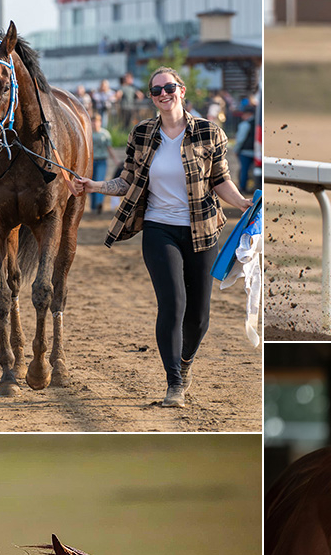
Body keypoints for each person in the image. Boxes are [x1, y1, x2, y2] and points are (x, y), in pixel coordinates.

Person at [66, 67, 252, 408]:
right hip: (158, 228)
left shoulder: (209, 133)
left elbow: (219, 179)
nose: (163, 94)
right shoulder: (142, 133)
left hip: (202, 230)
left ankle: (185, 362)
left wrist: (241, 202)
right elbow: (127, 181)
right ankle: (174, 384)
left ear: (181, 90)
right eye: (156, 91)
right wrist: (93, 186)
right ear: (151, 98)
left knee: (199, 315)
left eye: (168, 87)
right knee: (173, 303)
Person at [89, 112, 112, 213]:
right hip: (91, 161)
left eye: (96, 122)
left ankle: (99, 203)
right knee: (91, 183)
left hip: (102, 160)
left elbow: (109, 148)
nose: (95, 124)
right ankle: (93, 206)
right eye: (93, 122)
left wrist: (115, 160)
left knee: (99, 181)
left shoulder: (105, 133)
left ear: (100, 122)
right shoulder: (88, 133)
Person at [234, 106, 257, 193]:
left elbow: (240, 139)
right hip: (256, 152)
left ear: (248, 114)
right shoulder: (257, 123)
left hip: (245, 152)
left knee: (244, 170)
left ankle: (243, 188)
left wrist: (236, 150)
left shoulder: (245, 124)